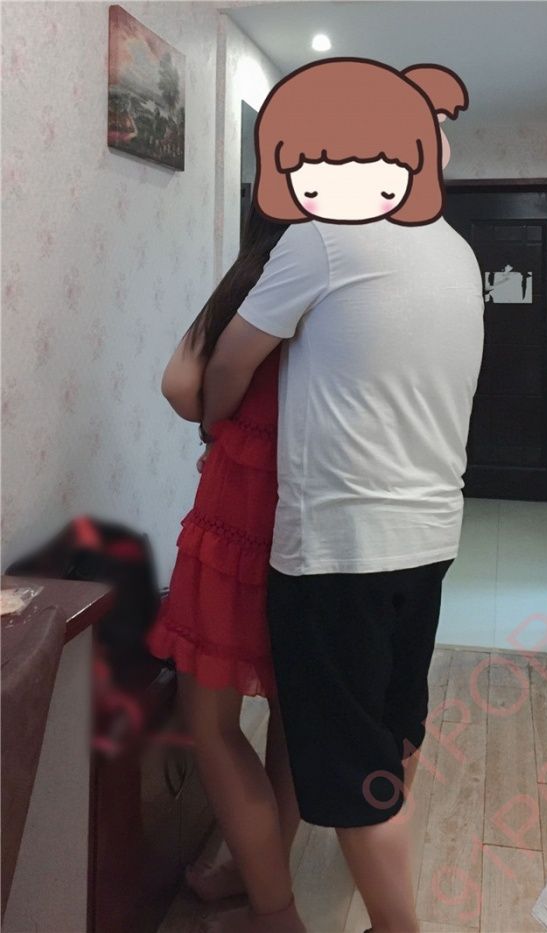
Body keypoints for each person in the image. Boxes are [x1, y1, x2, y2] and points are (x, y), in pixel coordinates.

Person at [199, 59, 485, 933]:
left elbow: (228, 363)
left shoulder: (324, 239)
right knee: (390, 731)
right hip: (432, 531)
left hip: (340, 543)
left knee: (352, 767)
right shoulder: (456, 249)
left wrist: (212, 421)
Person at [147, 206, 307, 933]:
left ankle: (274, 910)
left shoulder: (258, 273)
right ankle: (257, 868)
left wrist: (220, 421)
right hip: (314, 505)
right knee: (292, 703)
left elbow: (179, 386)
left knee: (210, 723)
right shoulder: (349, 272)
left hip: (238, 509)